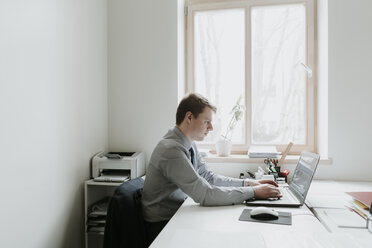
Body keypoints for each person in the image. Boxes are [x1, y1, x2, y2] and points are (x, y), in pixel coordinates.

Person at [142, 93, 281, 245]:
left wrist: (248, 184)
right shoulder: (171, 150)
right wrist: (254, 193)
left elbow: (209, 178)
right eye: (206, 121)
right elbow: (205, 194)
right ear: (189, 117)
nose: (211, 127)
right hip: (162, 228)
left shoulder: (188, 144)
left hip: (178, 214)